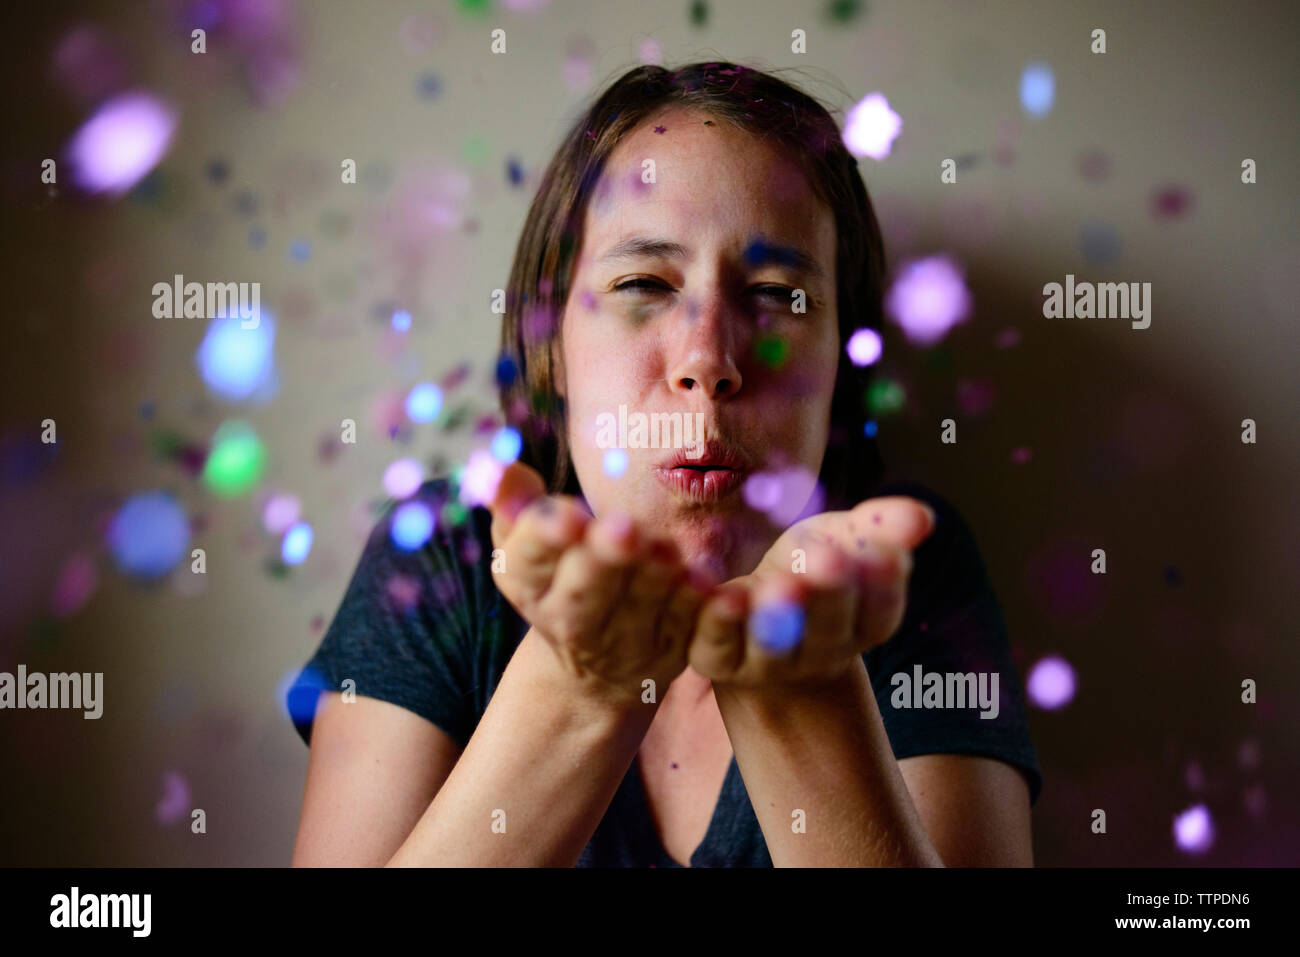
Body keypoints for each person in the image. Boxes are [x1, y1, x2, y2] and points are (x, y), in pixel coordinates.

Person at [287, 61, 1041, 867]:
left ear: (840, 365)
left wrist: (805, 692)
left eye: (780, 295)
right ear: (553, 352)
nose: (708, 359)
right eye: (643, 281)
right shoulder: (442, 556)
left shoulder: (897, 576)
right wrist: (581, 685)